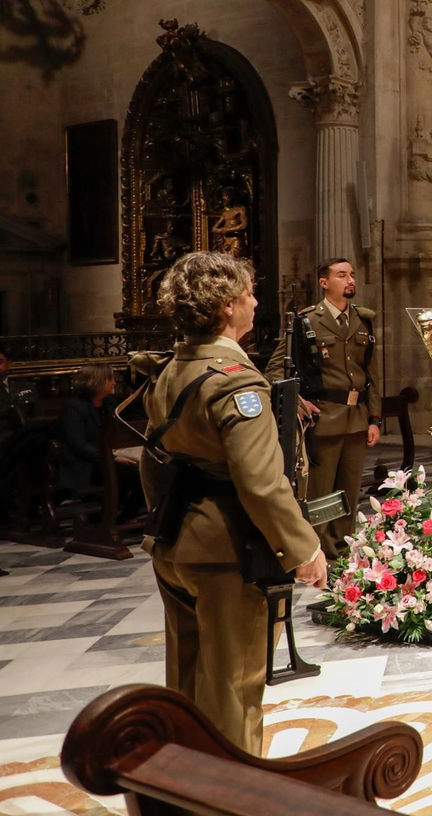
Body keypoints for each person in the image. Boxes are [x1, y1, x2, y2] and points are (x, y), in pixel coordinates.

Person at [132, 251, 325, 756]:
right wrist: (303, 549)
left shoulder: (170, 369)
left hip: (176, 542)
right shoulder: (237, 381)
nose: (256, 302)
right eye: (247, 295)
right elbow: (261, 483)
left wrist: (166, 520)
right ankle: (232, 802)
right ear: (224, 306)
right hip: (226, 552)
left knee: (189, 678)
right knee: (235, 688)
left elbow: (153, 460)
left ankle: (190, 782)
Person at [266, 258, 382, 559]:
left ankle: (344, 551)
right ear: (324, 282)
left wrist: (375, 418)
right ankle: (320, 552)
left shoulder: (363, 320)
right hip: (323, 418)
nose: (350, 280)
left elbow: (372, 374)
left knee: (349, 491)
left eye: (352, 275)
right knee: (321, 494)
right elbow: (275, 370)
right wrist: (297, 402)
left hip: (356, 419)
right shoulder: (306, 322)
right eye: (342, 275)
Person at [0, 344, 36, 524]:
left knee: (48, 458)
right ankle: (5, 514)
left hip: (25, 441)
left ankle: (34, 507)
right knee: (1, 462)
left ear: (8, 364)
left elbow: (37, 418)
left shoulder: (26, 387)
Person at [55, 365, 115, 499]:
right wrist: (112, 458)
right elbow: (79, 445)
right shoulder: (74, 408)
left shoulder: (109, 403)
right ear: (98, 381)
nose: (114, 382)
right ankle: (117, 515)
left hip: (104, 458)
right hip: (84, 464)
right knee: (130, 475)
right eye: (110, 378)